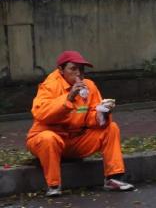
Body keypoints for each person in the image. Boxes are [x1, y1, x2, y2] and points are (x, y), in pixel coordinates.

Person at [26, 50, 134, 197]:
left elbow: (91, 117)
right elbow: (40, 113)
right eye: (73, 68)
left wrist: (102, 113)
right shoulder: (49, 86)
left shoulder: (89, 86)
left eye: (81, 69)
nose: (78, 73)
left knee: (111, 128)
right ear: (61, 70)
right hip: (46, 140)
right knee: (48, 138)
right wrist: (68, 98)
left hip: (75, 141)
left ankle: (113, 178)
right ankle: (54, 186)